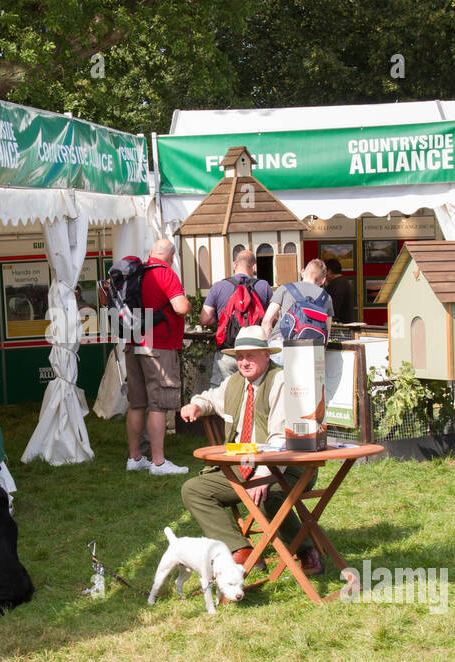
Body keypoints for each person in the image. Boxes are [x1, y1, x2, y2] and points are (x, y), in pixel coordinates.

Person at [179, 326, 318, 573]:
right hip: (244, 467)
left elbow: (280, 438)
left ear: (266, 355)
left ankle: (305, 549)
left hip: (289, 464)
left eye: (250, 356)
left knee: (270, 495)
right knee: (194, 490)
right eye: (240, 357)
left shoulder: (281, 381)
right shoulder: (235, 382)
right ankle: (240, 549)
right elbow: (212, 398)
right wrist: (197, 405)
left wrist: (265, 473)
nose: (243, 362)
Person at [126, 238, 191, 475]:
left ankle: (134, 458)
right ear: (172, 257)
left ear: (151, 252)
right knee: (159, 404)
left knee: (136, 404)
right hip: (159, 346)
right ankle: (159, 462)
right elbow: (181, 307)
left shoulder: (138, 272)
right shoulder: (165, 273)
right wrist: (189, 304)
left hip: (133, 342)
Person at [200, 249, 271, 387]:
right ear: (254, 266)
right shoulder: (264, 286)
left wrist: (220, 319)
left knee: (222, 392)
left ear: (234, 265)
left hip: (227, 351)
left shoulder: (219, 287)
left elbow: (205, 319)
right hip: (255, 353)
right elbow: (272, 318)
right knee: (254, 391)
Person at [261, 258, 327, 342]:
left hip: (281, 341)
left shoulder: (284, 289)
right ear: (323, 280)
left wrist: (266, 347)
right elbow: (326, 331)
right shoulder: (325, 297)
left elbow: (266, 321)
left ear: (302, 272)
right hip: (311, 347)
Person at [323, 258, 355, 324]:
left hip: (339, 326)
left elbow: (333, 309)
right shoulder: (344, 282)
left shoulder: (336, 284)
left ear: (329, 271)